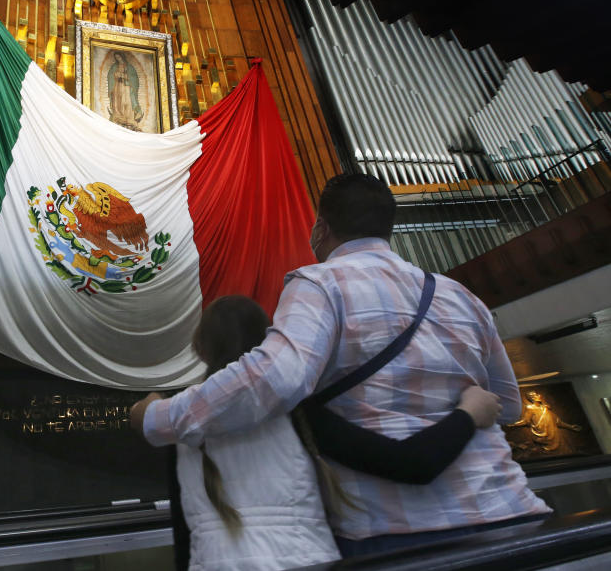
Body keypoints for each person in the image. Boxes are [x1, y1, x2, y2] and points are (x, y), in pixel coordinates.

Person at [133, 173, 550, 557]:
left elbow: (274, 378)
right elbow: (508, 406)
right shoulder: (461, 295)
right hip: (509, 507)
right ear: (388, 228)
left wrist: (158, 416)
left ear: (321, 228)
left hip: (398, 530)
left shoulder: (321, 285)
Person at [170, 294, 504, 570]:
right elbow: (411, 463)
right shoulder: (297, 409)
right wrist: (468, 413)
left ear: (201, 349)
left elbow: (183, 535)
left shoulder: (179, 426)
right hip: (305, 560)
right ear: (269, 343)